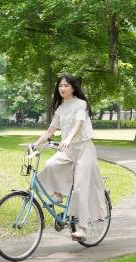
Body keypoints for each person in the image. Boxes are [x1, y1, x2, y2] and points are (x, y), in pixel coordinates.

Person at [32, 74, 108, 240]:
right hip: (68, 150)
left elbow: (78, 124)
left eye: (66, 85)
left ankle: (82, 228)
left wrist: (67, 139)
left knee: (80, 188)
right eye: (60, 85)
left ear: (73, 88)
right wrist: (35, 145)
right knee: (50, 164)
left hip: (84, 149)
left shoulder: (81, 104)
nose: (62, 88)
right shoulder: (60, 108)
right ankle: (58, 194)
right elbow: (50, 131)